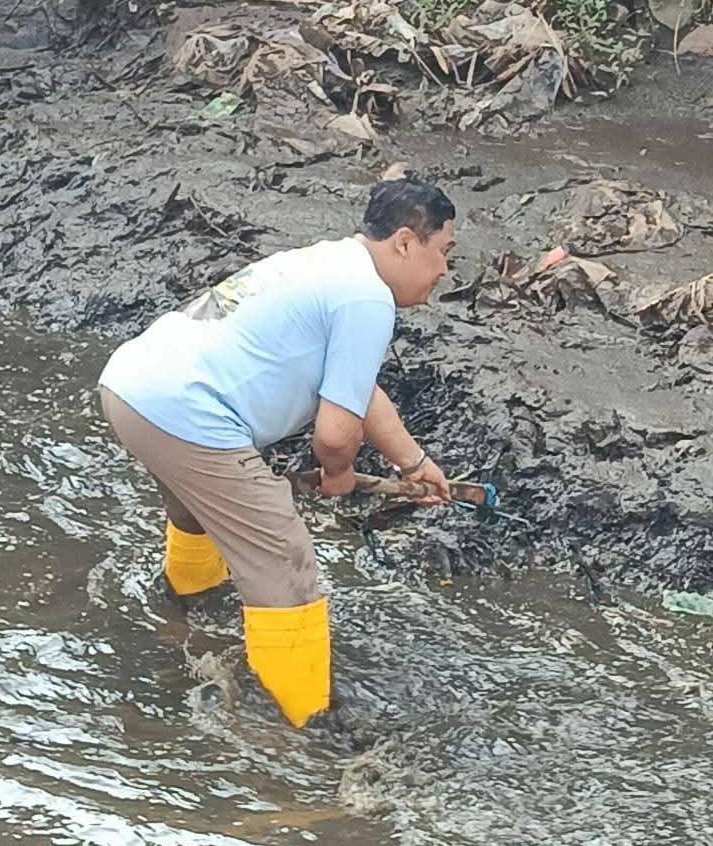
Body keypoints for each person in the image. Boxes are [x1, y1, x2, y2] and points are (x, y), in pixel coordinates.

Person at [98, 177, 456, 728]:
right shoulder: (367, 298)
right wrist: (338, 474)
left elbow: (357, 391)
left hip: (132, 388)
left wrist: (415, 463)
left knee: (200, 508)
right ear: (406, 242)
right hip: (187, 410)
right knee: (284, 555)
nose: (445, 271)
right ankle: (297, 725)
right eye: (444, 252)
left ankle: (185, 614)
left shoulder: (330, 262)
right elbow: (335, 435)